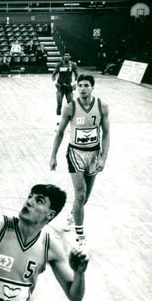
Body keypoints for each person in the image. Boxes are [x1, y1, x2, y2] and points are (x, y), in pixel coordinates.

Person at [49, 74, 110, 247]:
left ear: (92, 87)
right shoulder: (70, 107)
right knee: (80, 193)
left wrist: (103, 158)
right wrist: (53, 156)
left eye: (86, 85)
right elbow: (60, 132)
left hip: (94, 154)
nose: (82, 88)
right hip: (75, 154)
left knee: (85, 198)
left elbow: (106, 134)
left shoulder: (102, 106)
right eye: (80, 85)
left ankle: (72, 215)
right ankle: (81, 238)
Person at [51, 51, 78, 116]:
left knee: (70, 103)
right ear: (63, 57)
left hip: (69, 86)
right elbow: (53, 75)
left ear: (70, 57)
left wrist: (75, 83)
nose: (66, 57)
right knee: (59, 103)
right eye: (65, 55)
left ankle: (69, 116)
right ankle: (58, 115)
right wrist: (55, 83)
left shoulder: (73, 65)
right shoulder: (59, 65)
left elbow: (77, 75)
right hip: (60, 86)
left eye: (67, 55)